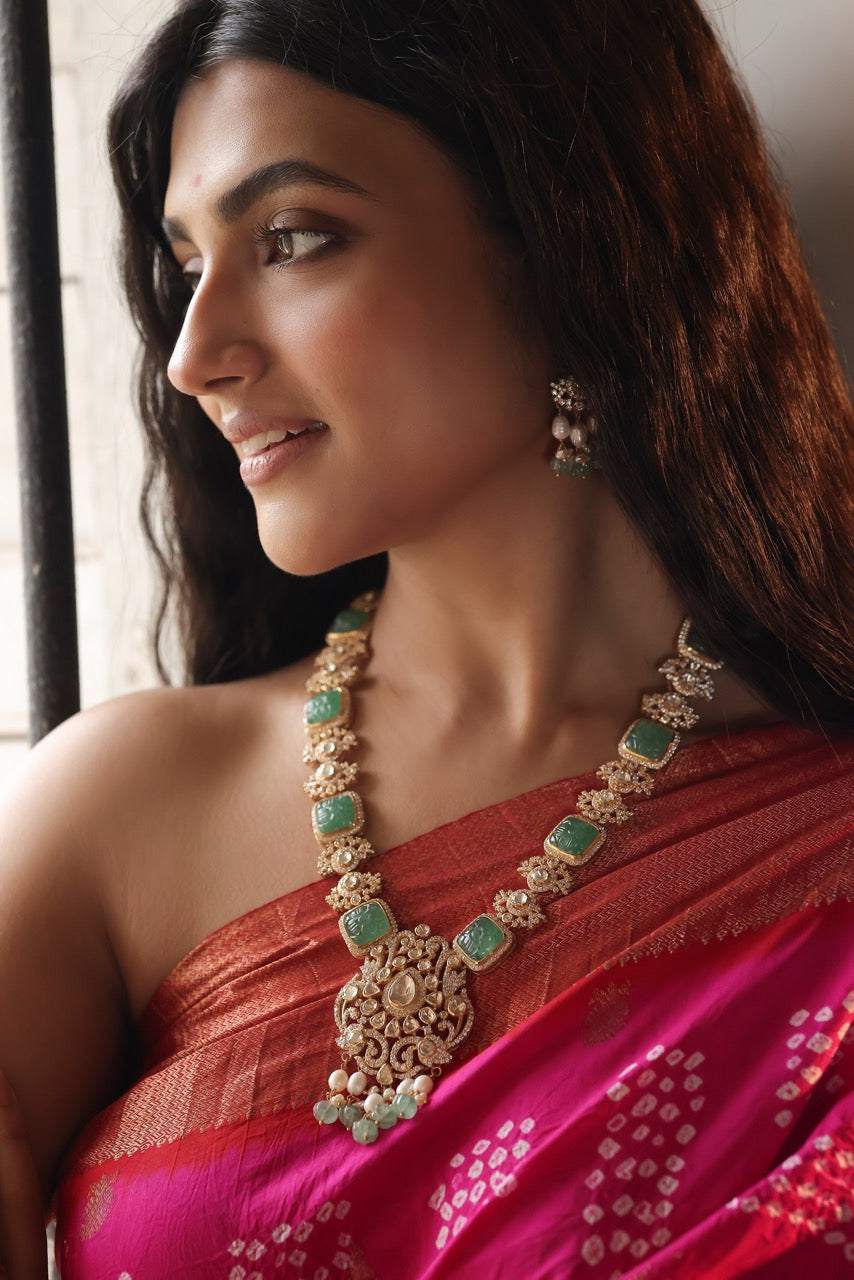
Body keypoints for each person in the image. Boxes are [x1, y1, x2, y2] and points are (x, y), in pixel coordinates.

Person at [0, 0, 852, 1275]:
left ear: (571, 248)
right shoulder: (120, 809)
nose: (194, 356)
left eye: (290, 239)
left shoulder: (818, 855)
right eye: (187, 267)